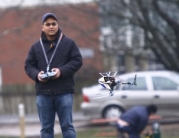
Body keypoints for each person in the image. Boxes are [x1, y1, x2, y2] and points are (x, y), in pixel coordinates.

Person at [24, 13, 83, 138]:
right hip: (43, 93)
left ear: (57, 25)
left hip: (64, 92)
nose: (51, 27)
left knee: (67, 127)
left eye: (53, 24)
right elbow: (28, 65)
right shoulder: (35, 47)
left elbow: (77, 61)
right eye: (48, 24)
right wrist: (37, 75)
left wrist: (61, 71)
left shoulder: (69, 43)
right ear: (42, 27)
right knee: (46, 129)